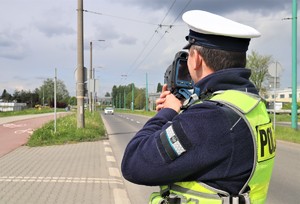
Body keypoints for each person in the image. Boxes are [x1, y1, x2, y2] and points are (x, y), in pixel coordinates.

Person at [121, 10, 276, 204]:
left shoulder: (210, 117)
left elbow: (135, 164)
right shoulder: (251, 104)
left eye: (189, 55)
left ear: (197, 60)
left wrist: (167, 113)